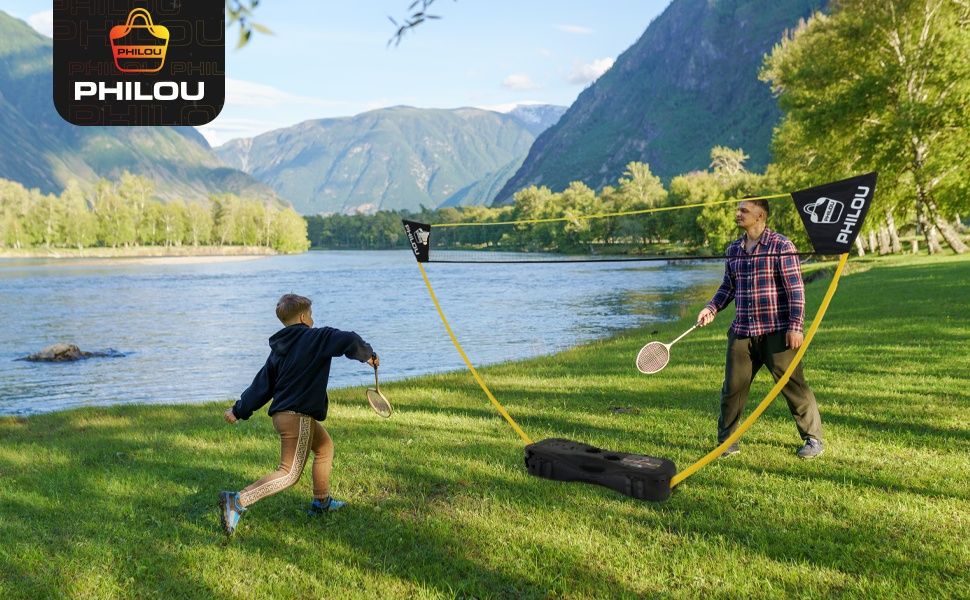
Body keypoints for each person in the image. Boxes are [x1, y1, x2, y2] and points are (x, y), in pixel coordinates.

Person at [219, 293, 378, 537]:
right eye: (311, 315)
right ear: (303, 317)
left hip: (284, 415)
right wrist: (369, 355)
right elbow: (349, 339)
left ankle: (321, 502)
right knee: (289, 473)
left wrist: (238, 410)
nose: (312, 319)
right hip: (297, 416)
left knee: (324, 448)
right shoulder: (317, 337)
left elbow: (262, 385)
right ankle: (238, 501)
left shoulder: (278, 350)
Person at [696, 199, 824, 460]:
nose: (737, 214)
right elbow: (728, 287)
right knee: (732, 389)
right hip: (742, 331)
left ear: (760, 215)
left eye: (744, 210)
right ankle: (727, 443)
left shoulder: (781, 246)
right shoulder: (734, 249)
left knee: (793, 385)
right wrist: (711, 308)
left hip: (777, 331)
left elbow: (795, 290)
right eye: (738, 210)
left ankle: (813, 439)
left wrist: (796, 327)